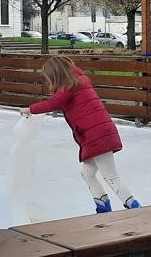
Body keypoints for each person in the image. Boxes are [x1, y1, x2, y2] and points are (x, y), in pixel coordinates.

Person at [20, 55, 141, 213]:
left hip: (97, 136)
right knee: (87, 174)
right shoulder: (79, 80)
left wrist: (29, 109)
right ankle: (103, 207)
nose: (49, 82)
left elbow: (53, 103)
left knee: (111, 177)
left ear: (56, 74)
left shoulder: (69, 86)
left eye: (49, 78)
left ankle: (136, 208)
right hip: (96, 135)